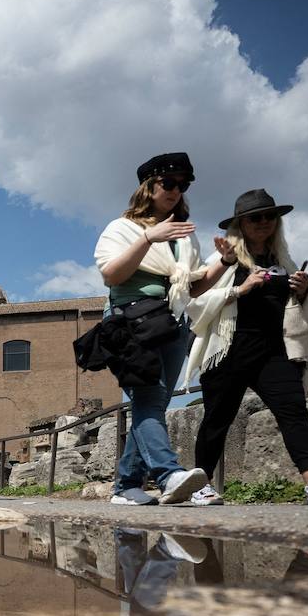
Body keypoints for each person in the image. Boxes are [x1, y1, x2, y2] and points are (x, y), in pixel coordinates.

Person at [182, 189, 308, 505]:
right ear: (241, 223)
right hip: (228, 348)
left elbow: (294, 302)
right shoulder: (225, 257)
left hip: (272, 349)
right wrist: (242, 288)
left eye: (270, 216)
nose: (264, 222)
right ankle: (202, 483)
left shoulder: (282, 258)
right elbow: (193, 299)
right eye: (256, 217)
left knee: (293, 408)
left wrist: (304, 289)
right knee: (217, 418)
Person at [95, 152, 210, 506]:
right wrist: (148, 238)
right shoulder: (123, 228)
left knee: (154, 404)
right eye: (169, 183)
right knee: (147, 398)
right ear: (149, 186)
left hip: (174, 324)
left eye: (183, 185)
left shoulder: (185, 237)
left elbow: (194, 286)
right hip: (131, 322)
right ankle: (168, 474)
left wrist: (228, 260)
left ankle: (125, 486)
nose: (177, 190)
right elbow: (111, 275)